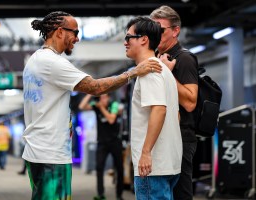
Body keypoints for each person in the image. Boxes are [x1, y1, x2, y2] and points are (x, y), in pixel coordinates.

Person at [22, 11, 162, 200]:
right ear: (60, 32)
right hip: (50, 154)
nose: (77, 39)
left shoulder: (34, 60)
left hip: (38, 151)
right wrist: (133, 72)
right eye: (75, 33)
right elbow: (95, 87)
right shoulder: (52, 62)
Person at [124, 16, 182, 200]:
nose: (125, 43)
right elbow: (176, 115)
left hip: (152, 167)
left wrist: (146, 152)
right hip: (166, 162)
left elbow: (159, 109)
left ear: (143, 39)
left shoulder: (150, 71)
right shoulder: (164, 71)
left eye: (128, 37)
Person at [150, 6, 199, 200]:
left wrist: (167, 72)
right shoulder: (156, 58)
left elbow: (190, 102)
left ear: (175, 31)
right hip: (164, 138)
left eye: (160, 30)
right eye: (152, 30)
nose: (155, 34)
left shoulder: (184, 59)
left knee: (181, 195)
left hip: (181, 138)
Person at [79, 94, 124, 200]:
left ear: (108, 97)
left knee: (119, 168)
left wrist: (101, 108)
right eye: (101, 98)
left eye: (104, 97)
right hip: (102, 142)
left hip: (115, 141)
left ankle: (119, 195)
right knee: (99, 168)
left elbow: (111, 119)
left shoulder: (114, 105)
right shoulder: (96, 105)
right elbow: (82, 106)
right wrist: (90, 94)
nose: (102, 100)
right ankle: (100, 194)